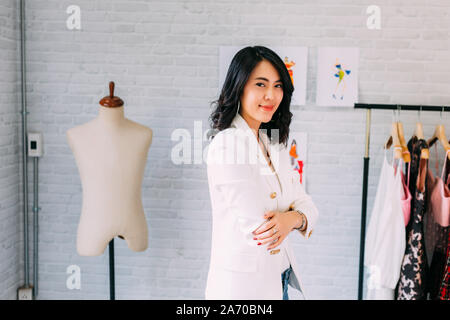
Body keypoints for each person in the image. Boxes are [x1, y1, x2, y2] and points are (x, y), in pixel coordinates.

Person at [205, 46, 319, 300]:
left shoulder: (272, 143)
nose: (271, 95)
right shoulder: (227, 145)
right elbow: (261, 229)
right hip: (244, 290)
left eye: (278, 86)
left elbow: (308, 205)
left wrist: (291, 219)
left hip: (281, 278)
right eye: (261, 84)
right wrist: (296, 216)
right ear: (239, 87)